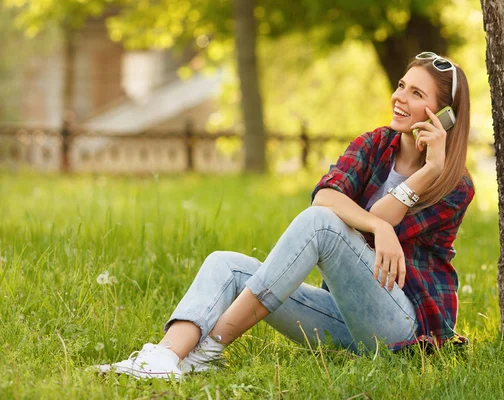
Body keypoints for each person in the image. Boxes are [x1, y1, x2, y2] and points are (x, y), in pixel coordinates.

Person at [97, 52, 475, 379]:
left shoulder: (454, 186)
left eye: (416, 93)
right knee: (224, 264)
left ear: (444, 116)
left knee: (321, 226)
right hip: (349, 320)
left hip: (405, 332)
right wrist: (377, 226)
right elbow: (326, 196)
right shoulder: (375, 143)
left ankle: (208, 349)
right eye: (401, 85)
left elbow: (373, 214)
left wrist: (427, 171)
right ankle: (165, 357)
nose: (399, 97)